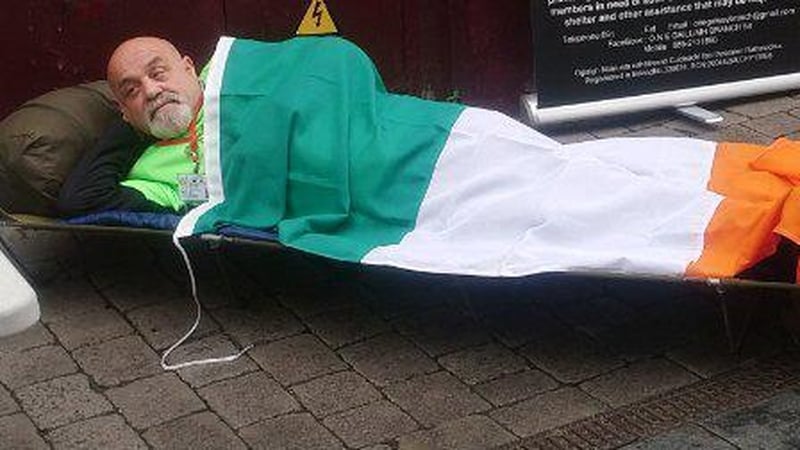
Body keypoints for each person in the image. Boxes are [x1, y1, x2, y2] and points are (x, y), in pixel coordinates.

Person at [57, 37, 206, 216]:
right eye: (132, 91)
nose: (151, 91)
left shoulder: (229, 75)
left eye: (157, 73)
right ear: (124, 112)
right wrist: (133, 122)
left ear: (189, 69)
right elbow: (81, 199)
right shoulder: (152, 173)